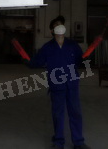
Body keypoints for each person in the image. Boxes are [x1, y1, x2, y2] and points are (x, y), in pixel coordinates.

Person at [28, 16, 90, 149]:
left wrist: (86, 60)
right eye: (56, 25)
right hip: (57, 85)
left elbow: (80, 61)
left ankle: (78, 142)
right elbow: (37, 62)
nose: (59, 26)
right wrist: (28, 62)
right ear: (52, 30)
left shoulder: (73, 45)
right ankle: (58, 142)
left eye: (61, 24)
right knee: (58, 114)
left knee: (75, 113)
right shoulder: (47, 48)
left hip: (72, 84)